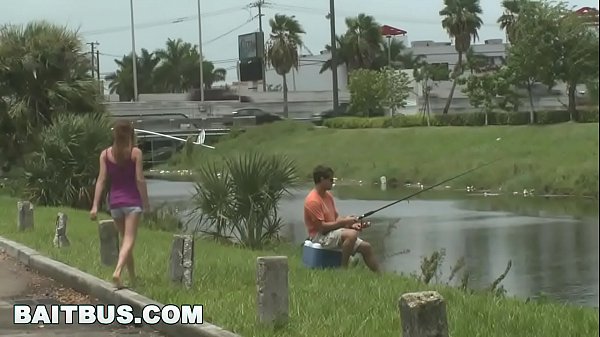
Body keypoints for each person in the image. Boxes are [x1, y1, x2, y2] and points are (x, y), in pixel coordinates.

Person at [90, 120, 150, 289]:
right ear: (131, 134)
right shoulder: (135, 153)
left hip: (115, 203)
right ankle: (117, 271)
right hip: (132, 202)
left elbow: (101, 181)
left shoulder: (105, 154)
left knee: (125, 241)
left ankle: (132, 278)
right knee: (129, 239)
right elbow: (139, 179)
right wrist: (146, 203)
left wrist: (95, 205)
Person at [303, 165, 381, 274]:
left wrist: (350, 225)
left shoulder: (328, 196)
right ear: (322, 179)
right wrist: (343, 223)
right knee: (351, 235)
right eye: (330, 179)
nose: (332, 182)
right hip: (319, 236)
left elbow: (335, 217)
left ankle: (380, 275)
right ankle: (344, 269)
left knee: (366, 247)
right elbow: (322, 228)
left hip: (331, 233)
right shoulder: (313, 201)